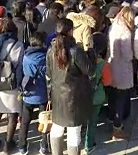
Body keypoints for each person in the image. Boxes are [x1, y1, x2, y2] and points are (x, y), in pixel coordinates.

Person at [47, 18, 95, 155]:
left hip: (57, 96)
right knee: (74, 132)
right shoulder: (76, 51)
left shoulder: (51, 50)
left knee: (57, 128)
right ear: (71, 31)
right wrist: (90, 51)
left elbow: (48, 74)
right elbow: (90, 71)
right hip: (74, 98)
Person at [0, 19, 25, 154]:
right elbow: (20, 66)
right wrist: (20, 84)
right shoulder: (18, 45)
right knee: (12, 114)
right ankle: (8, 144)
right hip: (11, 83)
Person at [18, 31, 50, 155]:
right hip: (42, 94)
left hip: (28, 93)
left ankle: (22, 146)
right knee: (45, 121)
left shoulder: (25, 57)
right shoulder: (45, 57)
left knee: (25, 122)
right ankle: (44, 145)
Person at [107, 6, 135, 139]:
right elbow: (127, 54)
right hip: (122, 68)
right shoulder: (125, 31)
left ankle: (111, 118)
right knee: (121, 98)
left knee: (113, 95)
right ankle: (117, 128)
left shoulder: (114, 26)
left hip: (112, 64)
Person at [85, 32, 112, 154]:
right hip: (96, 97)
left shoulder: (82, 58)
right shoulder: (103, 64)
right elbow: (107, 82)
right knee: (92, 121)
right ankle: (88, 144)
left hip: (81, 95)